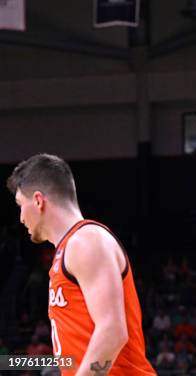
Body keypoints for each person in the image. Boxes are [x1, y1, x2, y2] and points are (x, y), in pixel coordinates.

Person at [7, 154, 155, 375]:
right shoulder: (68, 250)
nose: (20, 217)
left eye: (20, 205)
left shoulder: (86, 241)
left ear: (38, 200)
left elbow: (112, 332)